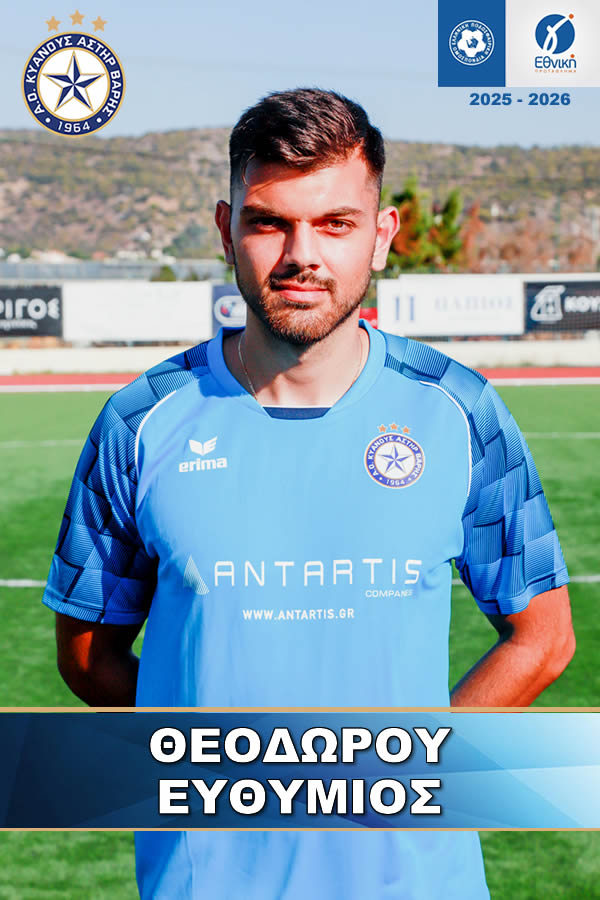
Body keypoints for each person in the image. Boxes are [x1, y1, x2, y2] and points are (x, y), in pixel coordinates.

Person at [44, 88, 575, 899]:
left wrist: (411, 772)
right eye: (269, 223)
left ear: (381, 236)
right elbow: (87, 655)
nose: (302, 254)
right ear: (226, 231)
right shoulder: (140, 422)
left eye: (335, 223)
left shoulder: (459, 411)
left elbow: (543, 640)